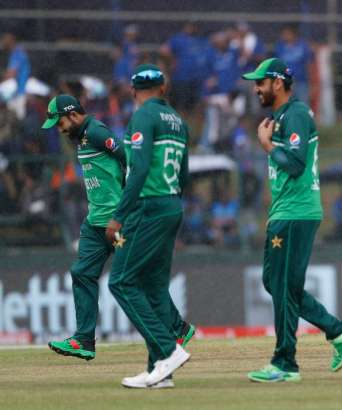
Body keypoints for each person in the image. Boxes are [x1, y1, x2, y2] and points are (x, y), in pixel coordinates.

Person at [41, 94, 195, 363]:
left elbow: (130, 160)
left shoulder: (98, 132)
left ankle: (178, 329)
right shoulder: (82, 137)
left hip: (117, 222)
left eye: (60, 122)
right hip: (94, 222)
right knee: (82, 272)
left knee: (142, 278)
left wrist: (126, 204)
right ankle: (84, 340)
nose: (59, 128)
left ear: (73, 115)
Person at [242, 58, 342, 383]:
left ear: (277, 83)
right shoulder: (282, 116)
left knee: (281, 285)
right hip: (287, 211)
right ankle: (338, 332)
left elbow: (295, 164)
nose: (256, 88)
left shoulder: (294, 114)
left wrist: (266, 146)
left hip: (295, 212)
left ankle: (285, 363)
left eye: (260, 82)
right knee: (278, 283)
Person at [104, 64, 192, 388]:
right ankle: (160, 371)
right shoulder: (179, 121)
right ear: (163, 88)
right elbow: (184, 174)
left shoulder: (142, 117)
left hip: (149, 206)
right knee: (154, 287)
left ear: (133, 90)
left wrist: (119, 215)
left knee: (122, 281)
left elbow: (138, 171)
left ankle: (168, 351)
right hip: (172, 204)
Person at [274, 25, 314, 105]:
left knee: (303, 105)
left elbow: (309, 64)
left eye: (287, 34)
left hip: (301, 81)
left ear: (293, 34)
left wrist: (312, 82)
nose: (284, 36)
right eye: (283, 34)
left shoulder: (303, 46)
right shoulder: (280, 46)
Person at [1, 32, 31, 120]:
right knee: (14, 120)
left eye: (4, 40)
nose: (2, 42)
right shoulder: (14, 53)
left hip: (19, 92)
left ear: (11, 40)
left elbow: (11, 74)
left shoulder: (18, 53)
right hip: (16, 92)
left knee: (17, 120)